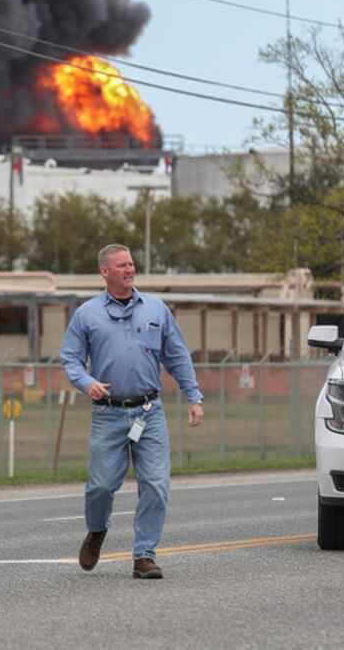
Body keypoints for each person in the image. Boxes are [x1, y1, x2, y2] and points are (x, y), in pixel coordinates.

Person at [60, 243, 204, 580]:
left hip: (148, 412)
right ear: (105, 272)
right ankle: (96, 530)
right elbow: (70, 359)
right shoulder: (87, 314)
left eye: (131, 264)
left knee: (155, 485)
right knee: (101, 486)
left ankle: (144, 555)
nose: (129, 269)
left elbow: (178, 356)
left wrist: (193, 397)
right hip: (108, 413)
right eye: (121, 265)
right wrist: (86, 382)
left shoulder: (156, 309)